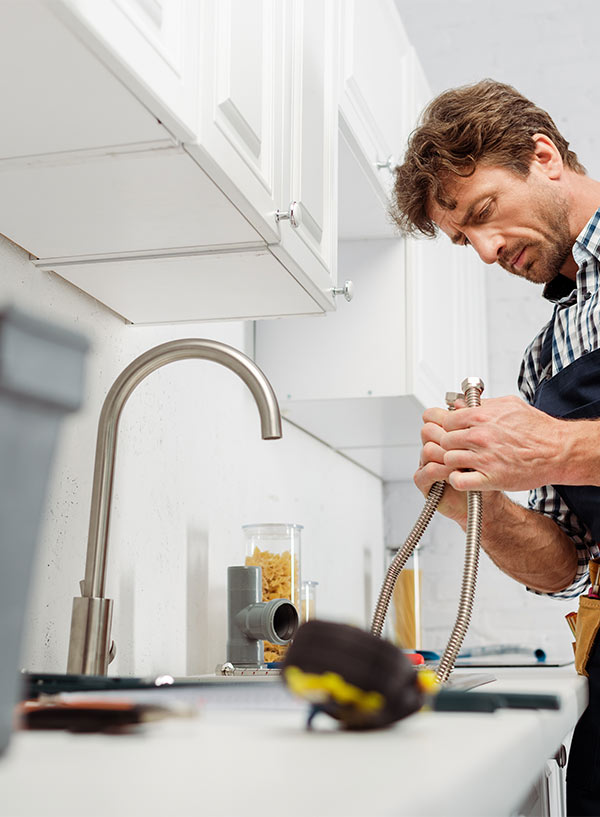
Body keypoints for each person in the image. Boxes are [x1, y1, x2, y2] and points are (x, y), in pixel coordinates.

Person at [391, 79, 600, 816]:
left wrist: (555, 448)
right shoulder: (544, 357)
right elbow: (566, 564)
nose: (483, 251)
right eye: (462, 239)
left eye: (482, 213)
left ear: (543, 157)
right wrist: (474, 501)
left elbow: (562, 454)